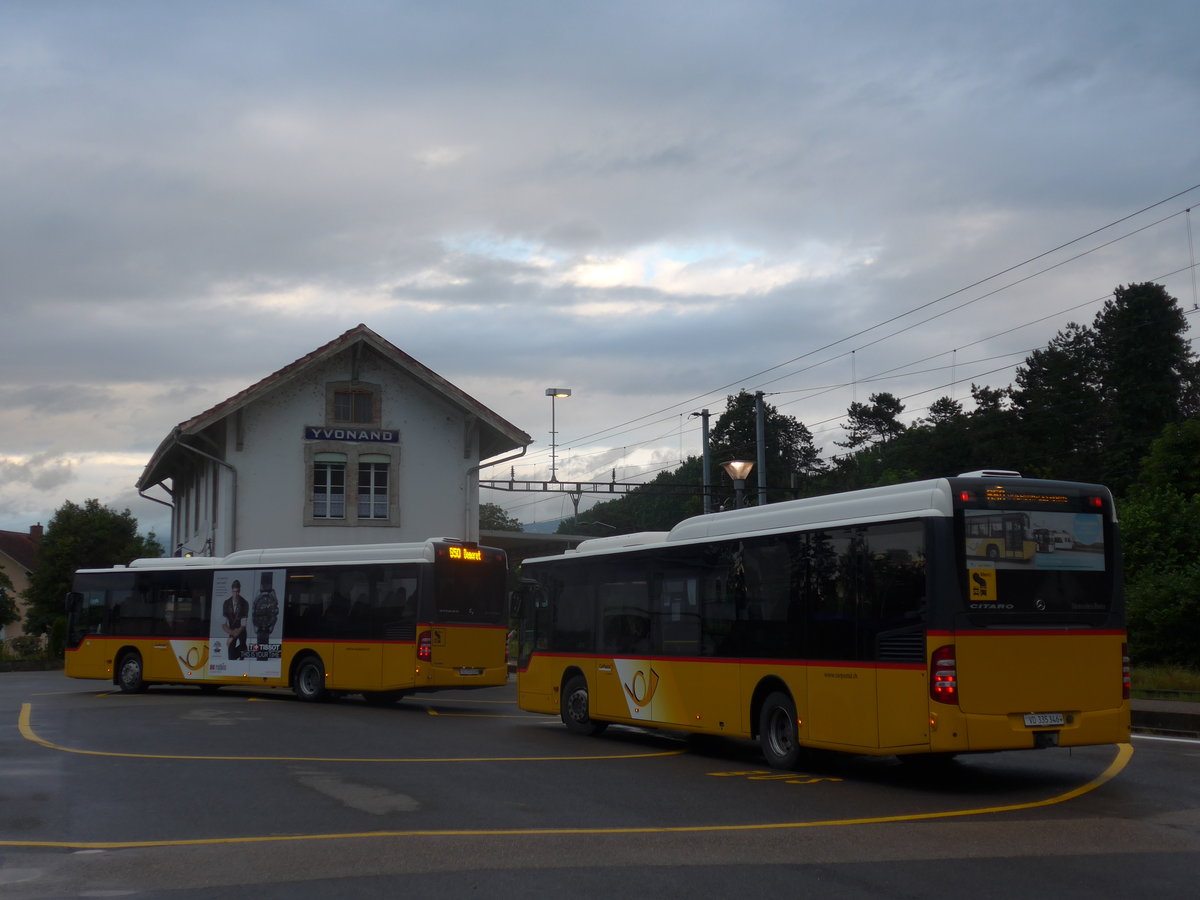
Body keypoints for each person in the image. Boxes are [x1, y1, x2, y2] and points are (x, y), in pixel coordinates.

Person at [222, 580, 249, 660]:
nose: (236, 594)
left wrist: (232, 636)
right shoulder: (226, 603)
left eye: (237, 592)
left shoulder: (244, 603)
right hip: (232, 630)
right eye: (234, 591)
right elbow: (224, 624)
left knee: (242, 654)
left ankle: (244, 648)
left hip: (241, 631)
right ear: (231, 591)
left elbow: (243, 625)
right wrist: (231, 633)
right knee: (231, 656)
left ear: (239, 591)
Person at [252, 572, 280, 647]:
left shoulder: (261, 596)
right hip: (263, 626)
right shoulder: (271, 595)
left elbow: (254, 610)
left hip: (263, 626)